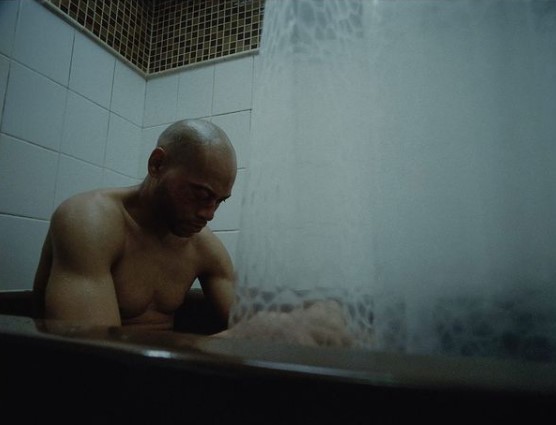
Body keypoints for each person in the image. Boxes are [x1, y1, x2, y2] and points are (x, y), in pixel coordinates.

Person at [33, 118, 353, 347]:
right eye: (200, 195)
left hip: (163, 384)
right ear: (157, 165)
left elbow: (246, 318)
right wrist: (249, 336)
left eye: (218, 201)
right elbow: (91, 362)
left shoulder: (202, 248)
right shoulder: (90, 220)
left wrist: (307, 315)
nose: (208, 214)